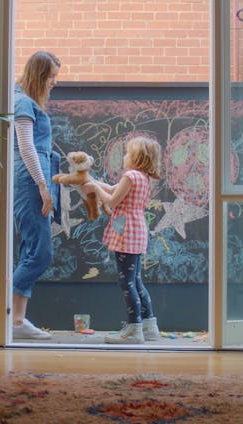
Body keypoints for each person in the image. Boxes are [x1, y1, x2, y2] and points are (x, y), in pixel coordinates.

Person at [84, 136, 162, 344]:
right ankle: (149, 325)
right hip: (136, 227)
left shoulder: (130, 176)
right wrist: (93, 181)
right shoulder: (142, 177)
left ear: (137, 157)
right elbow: (112, 189)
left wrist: (94, 188)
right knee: (136, 280)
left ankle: (134, 329)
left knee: (126, 282)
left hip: (126, 229)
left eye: (128, 152)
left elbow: (111, 199)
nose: (125, 156)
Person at [11, 51, 61, 339]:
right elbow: (26, 147)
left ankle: (17, 319)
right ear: (38, 75)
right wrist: (43, 186)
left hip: (37, 176)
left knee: (30, 250)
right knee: (41, 253)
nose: (54, 82)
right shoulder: (23, 103)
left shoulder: (28, 103)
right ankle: (5, 311)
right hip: (31, 179)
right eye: (51, 76)